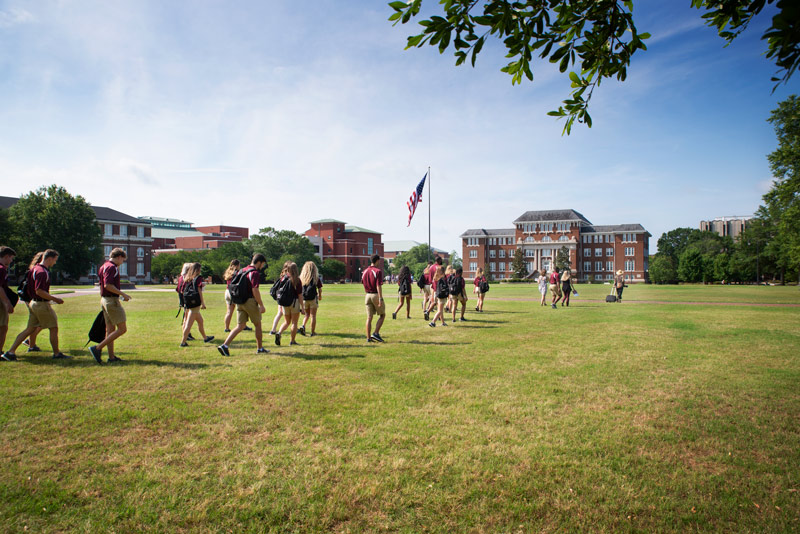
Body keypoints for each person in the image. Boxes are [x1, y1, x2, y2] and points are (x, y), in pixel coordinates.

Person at [2, 249, 67, 361]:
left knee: (30, 329)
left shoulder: (35, 269)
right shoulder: (42, 272)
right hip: (41, 304)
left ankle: (10, 352)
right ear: (49, 258)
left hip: (33, 303)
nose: (55, 263)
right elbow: (39, 291)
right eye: (54, 260)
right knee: (54, 328)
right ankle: (57, 354)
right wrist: (55, 299)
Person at [218, 254, 269, 356]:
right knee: (258, 324)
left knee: (240, 326)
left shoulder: (243, 270)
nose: (262, 267)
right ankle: (260, 348)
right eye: (262, 264)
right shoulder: (254, 273)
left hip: (239, 301)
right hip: (249, 301)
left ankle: (225, 345)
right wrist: (261, 305)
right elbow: (255, 289)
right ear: (258, 262)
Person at [88, 248, 132, 363]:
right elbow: (108, 285)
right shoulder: (112, 267)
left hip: (104, 299)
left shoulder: (103, 266)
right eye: (123, 260)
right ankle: (97, 348)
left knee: (110, 329)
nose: (122, 263)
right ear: (119, 257)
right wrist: (123, 294)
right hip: (111, 301)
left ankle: (111, 357)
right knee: (122, 329)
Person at [179, 262, 214, 347]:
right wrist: (203, 303)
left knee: (200, 321)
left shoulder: (187, 277)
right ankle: (183, 342)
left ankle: (205, 338)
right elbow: (199, 291)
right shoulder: (198, 278)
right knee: (189, 324)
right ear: (198, 269)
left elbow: (182, 290)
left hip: (189, 302)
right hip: (195, 303)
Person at [275, 262, 304, 346]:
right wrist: (302, 306)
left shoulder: (283, 278)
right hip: (294, 303)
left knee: (286, 322)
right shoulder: (297, 280)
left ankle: (279, 333)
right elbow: (300, 295)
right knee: (294, 323)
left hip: (284, 303)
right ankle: (292, 341)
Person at [362, 254, 386, 342]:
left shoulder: (364, 271)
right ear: (377, 260)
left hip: (367, 295)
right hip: (375, 295)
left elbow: (363, 282)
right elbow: (378, 286)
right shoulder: (378, 271)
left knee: (369, 317)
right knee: (382, 315)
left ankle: (368, 338)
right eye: (379, 261)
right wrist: (380, 298)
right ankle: (376, 333)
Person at [0, 246, 16, 357]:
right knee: (3, 326)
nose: (11, 261)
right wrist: (8, 303)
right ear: (6, 256)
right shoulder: (1, 269)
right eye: (10, 258)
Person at [299, 261, 322, 337]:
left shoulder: (302, 278)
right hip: (313, 298)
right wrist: (320, 296)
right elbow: (319, 289)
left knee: (307, 315)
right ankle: (312, 332)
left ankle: (303, 326)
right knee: (313, 316)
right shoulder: (316, 278)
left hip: (304, 299)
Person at [269, 261, 292, 335]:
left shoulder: (282, 275)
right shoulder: (288, 275)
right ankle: (273, 330)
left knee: (279, 313)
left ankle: (273, 329)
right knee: (284, 314)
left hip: (280, 297)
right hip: (285, 298)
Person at [176, 263, 196, 341]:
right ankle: (186, 335)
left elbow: (178, 289)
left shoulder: (181, 277)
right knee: (187, 318)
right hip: (188, 300)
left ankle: (188, 334)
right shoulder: (188, 278)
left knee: (188, 318)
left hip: (183, 299)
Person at [222, 259, 240, 332]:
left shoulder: (228, 272)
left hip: (227, 291)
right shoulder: (236, 273)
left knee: (229, 311)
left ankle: (226, 327)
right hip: (233, 292)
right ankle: (242, 325)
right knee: (240, 310)